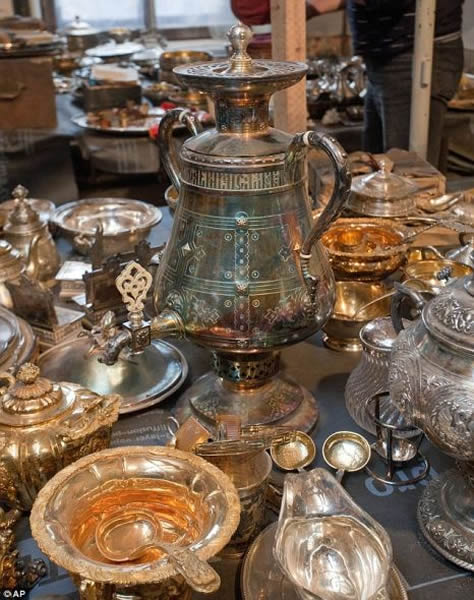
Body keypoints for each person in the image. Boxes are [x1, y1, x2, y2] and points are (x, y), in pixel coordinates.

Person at [231, 0, 465, 168]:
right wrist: (309, 7)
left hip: (416, 55)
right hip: (386, 59)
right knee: (376, 167)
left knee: (405, 174)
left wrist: (311, 6)